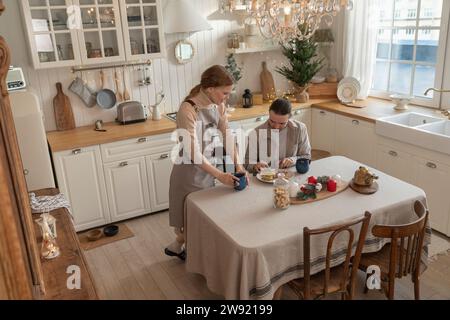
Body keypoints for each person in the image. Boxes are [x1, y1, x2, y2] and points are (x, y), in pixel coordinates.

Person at [165, 65, 249, 260]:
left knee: (205, 218)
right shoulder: (187, 109)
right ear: (210, 88)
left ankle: (188, 250)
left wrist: (239, 165)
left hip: (208, 168)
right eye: (224, 93)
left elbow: (227, 134)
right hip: (188, 173)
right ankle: (186, 248)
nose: (226, 97)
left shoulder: (218, 105)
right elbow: (192, 152)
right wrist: (220, 175)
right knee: (190, 217)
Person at [244, 98, 311, 173]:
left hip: (291, 175)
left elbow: (306, 156)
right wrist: (255, 166)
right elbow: (247, 163)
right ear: (269, 114)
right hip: (266, 177)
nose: (276, 127)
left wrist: (293, 160)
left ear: (289, 118)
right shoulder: (256, 133)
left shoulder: (300, 129)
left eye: (282, 123)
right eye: (272, 121)